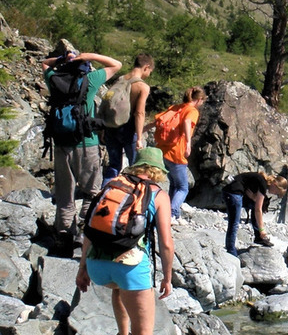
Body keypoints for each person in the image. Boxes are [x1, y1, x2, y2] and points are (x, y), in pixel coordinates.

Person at [75, 147, 174, 335]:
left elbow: (90, 229)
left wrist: (82, 268)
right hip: (129, 266)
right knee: (145, 332)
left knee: (118, 291)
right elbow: (165, 242)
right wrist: (167, 276)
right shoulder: (158, 194)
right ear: (157, 172)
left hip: (97, 267)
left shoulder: (113, 186)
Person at [43, 46, 121, 253]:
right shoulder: (91, 80)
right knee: (92, 191)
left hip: (61, 145)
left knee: (64, 194)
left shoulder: (54, 79)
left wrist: (62, 59)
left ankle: (63, 236)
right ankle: (85, 229)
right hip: (87, 144)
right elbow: (116, 64)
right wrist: (89, 56)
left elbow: (44, 63)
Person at [149, 86, 205, 224]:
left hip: (163, 150)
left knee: (174, 184)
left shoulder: (176, 107)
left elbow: (158, 120)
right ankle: (171, 214)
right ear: (199, 100)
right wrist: (188, 143)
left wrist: (142, 131)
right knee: (183, 187)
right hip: (176, 153)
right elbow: (187, 122)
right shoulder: (192, 111)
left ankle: (171, 212)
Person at [101, 54, 154, 182]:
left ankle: (104, 196)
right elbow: (140, 113)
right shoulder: (142, 87)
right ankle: (134, 197)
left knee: (114, 166)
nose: (148, 75)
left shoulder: (120, 79)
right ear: (146, 67)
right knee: (136, 167)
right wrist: (139, 139)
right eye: (150, 72)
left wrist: (103, 128)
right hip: (129, 131)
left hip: (111, 127)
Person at [222, 170, 288, 256]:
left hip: (231, 192)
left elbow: (255, 203)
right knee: (234, 223)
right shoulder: (262, 184)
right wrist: (262, 230)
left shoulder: (260, 180)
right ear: (274, 184)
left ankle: (258, 237)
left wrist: (254, 198)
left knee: (253, 206)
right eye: (277, 192)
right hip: (233, 193)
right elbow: (258, 210)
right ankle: (231, 252)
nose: (274, 193)